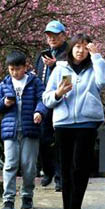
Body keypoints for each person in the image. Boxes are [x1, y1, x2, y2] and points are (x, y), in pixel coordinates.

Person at [43, 33, 105, 209]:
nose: (80, 50)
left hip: (87, 123)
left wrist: (98, 57)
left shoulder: (95, 67)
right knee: (65, 168)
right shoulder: (59, 69)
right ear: (71, 48)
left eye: (84, 47)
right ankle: (69, 206)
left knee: (80, 167)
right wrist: (58, 93)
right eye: (77, 46)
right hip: (63, 123)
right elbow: (46, 98)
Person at [0, 50, 48, 209]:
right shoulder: (4, 85)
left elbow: (43, 99)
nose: (15, 72)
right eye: (11, 69)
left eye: (18, 69)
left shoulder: (35, 82)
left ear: (25, 67)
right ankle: (8, 200)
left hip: (30, 129)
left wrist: (39, 112)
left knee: (29, 166)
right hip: (11, 131)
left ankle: (27, 196)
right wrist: (5, 103)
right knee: (10, 165)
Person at [34, 20, 69, 191]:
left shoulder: (70, 53)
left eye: (55, 35)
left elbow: (69, 78)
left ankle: (60, 177)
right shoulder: (42, 55)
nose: (51, 38)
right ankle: (47, 171)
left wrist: (55, 65)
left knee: (62, 141)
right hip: (44, 101)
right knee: (43, 139)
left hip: (62, 100)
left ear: (63, 35)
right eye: (48, 35)